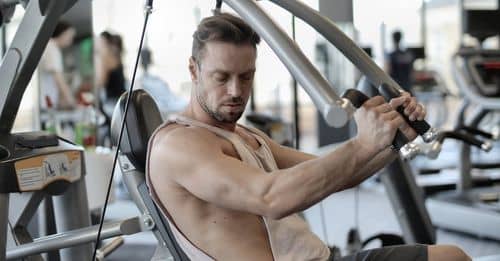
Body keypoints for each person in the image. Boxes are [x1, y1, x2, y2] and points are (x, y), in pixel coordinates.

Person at [146, 13, 470, 261]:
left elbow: (334, 174)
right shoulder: (177, 145)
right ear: (193, 70)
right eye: (221, 77)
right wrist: (362, 144)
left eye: (246, 77)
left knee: (451, 257)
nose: (235, 90)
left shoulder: (244, 135)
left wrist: (393, 137)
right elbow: (270, 198)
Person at [39, 21, 76, 110]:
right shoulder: (52, 48)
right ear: (62, 33)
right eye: (69, 36)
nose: (71, 40)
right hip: (45, 102)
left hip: (45, 101)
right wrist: (72, 102)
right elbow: (58, 78)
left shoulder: (49, 46)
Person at [95, 31, 126, 116]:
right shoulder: (115, 53)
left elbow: (101, 81)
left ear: (104, 42)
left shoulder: (106, 56)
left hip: (113, 102)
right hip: (121, 97)